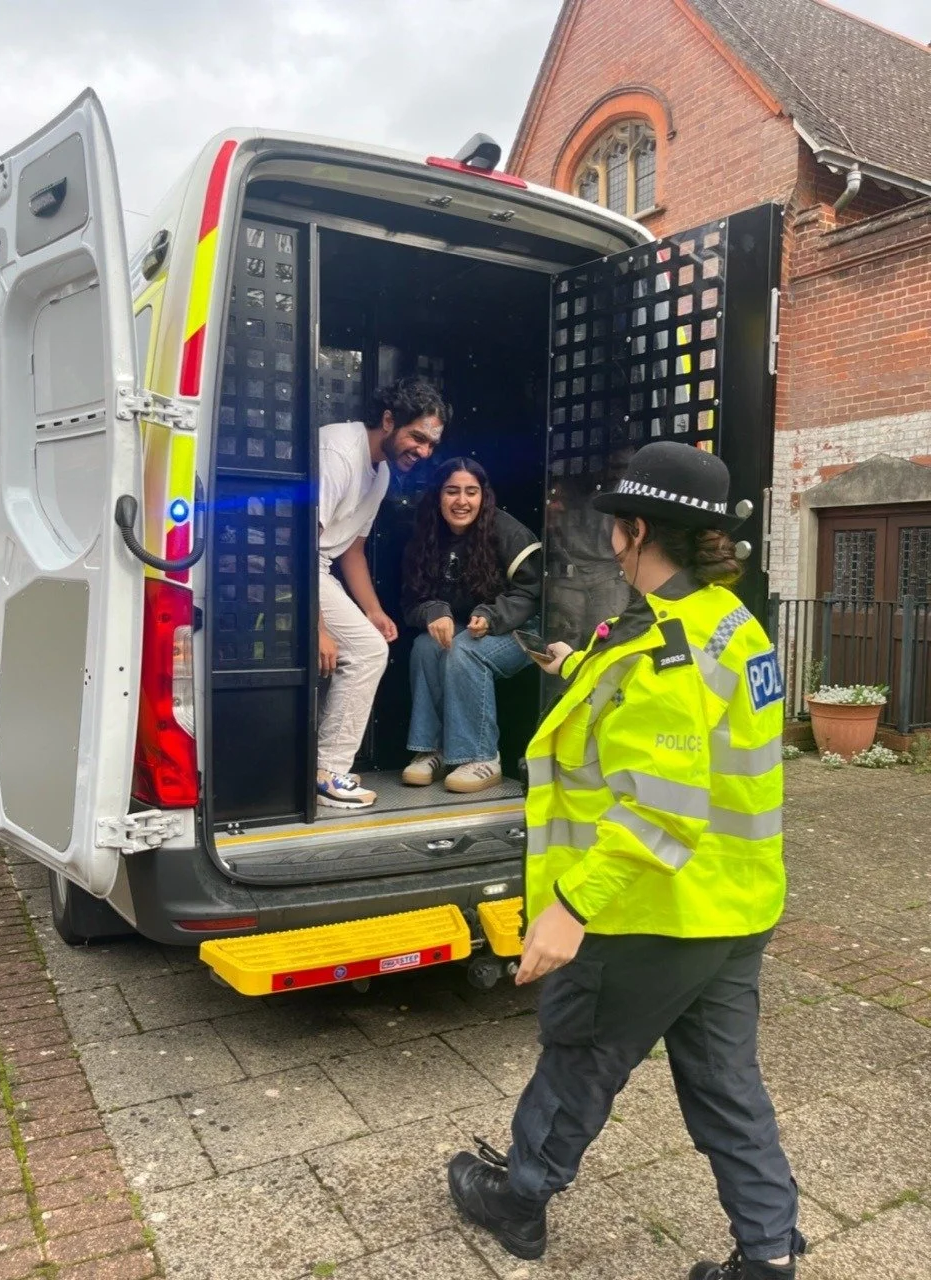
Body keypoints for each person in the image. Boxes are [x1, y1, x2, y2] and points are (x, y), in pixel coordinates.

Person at [448, 441, 803, 1280]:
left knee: (578, 1057)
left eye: (616, 524)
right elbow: (682, 738)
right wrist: (576, 664)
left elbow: (660, 809)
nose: (608, 538)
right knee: (726, 1087)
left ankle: (520, 1199)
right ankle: (769, 1255)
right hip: (733, 905)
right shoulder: (724, 622)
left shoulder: (664, 651)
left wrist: (571, 909)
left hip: (651, 911)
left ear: (636, 531)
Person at [317, 378, 450, 809]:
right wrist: (317, 628)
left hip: (314, 567)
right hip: (281, 565)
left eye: (431, 443)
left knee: (371, 643)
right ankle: (327, 770)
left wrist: (372, 610)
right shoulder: (339, 451)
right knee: (369, 652)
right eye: (417, 437)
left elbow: (352, 547)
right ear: (389, 421)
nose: (424, 450)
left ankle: (325, 766)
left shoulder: (383, 471)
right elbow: (295, 544)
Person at [401, 457, 541, 793]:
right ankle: (431, 751)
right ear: (438, 496)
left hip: (521, 633)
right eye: (452, 491)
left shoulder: (507, 531)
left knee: (464, 650)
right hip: (467, 629)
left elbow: (531, 593)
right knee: (425, 645)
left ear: (483, 496)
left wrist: (493, 616)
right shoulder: (427, 534)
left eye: (471, 492)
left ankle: (481, 758)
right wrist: (432, 611)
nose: (461, 501)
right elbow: (410, 602)